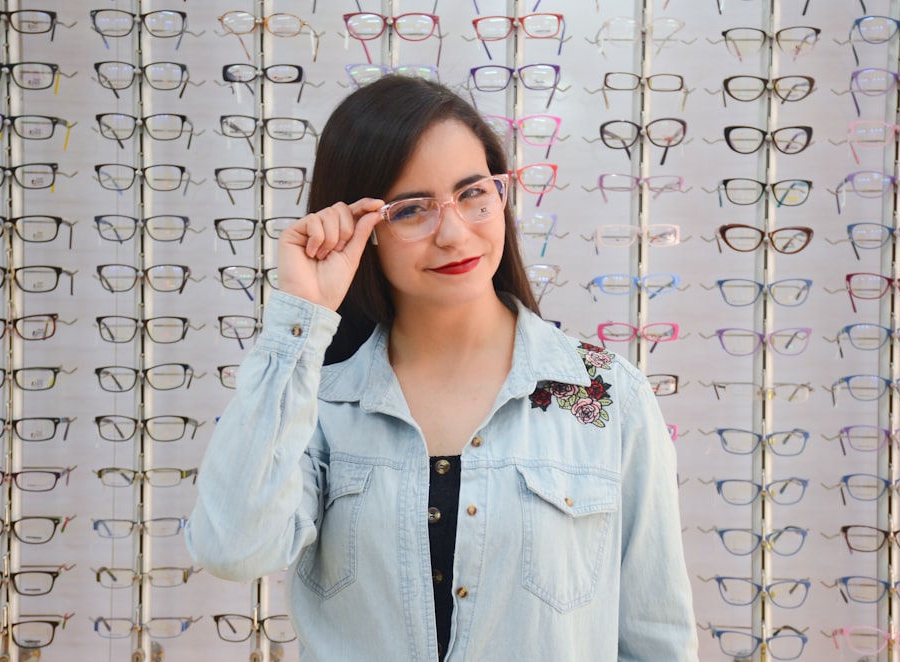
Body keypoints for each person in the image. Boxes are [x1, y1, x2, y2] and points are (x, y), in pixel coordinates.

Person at [187, 75, 698, 661]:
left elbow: (656, 639)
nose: (454, 234)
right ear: (364, 229)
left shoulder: (606, 398)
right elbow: (232, 548)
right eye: (411, 210)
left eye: (474, 193)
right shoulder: (322, 405)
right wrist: (302, 315)